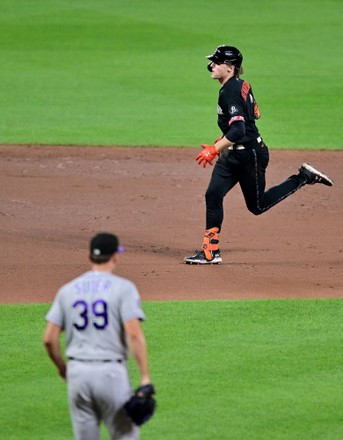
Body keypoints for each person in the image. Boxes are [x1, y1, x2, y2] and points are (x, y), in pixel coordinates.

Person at [184, 45, 333, 265]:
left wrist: (214, 149)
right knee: (213, 195)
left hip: (250, 156)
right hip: (233, 154)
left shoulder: (230, 91)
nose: (212, 65)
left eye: (217, 62)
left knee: (257, 206)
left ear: (230, 67)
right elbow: (248, 119)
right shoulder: (239, 85)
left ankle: (304, 177)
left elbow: (239, 130)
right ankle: (210, 251)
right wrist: (223, 142)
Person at [43, 232, 153, 440]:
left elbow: (49, 339)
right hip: (111, 375)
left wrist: (63, 369)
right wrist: (145, 376)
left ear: (89, 257)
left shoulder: (67, 290)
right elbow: (134, 335)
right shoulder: (124, 288)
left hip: (77, 375)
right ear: (115, 257)